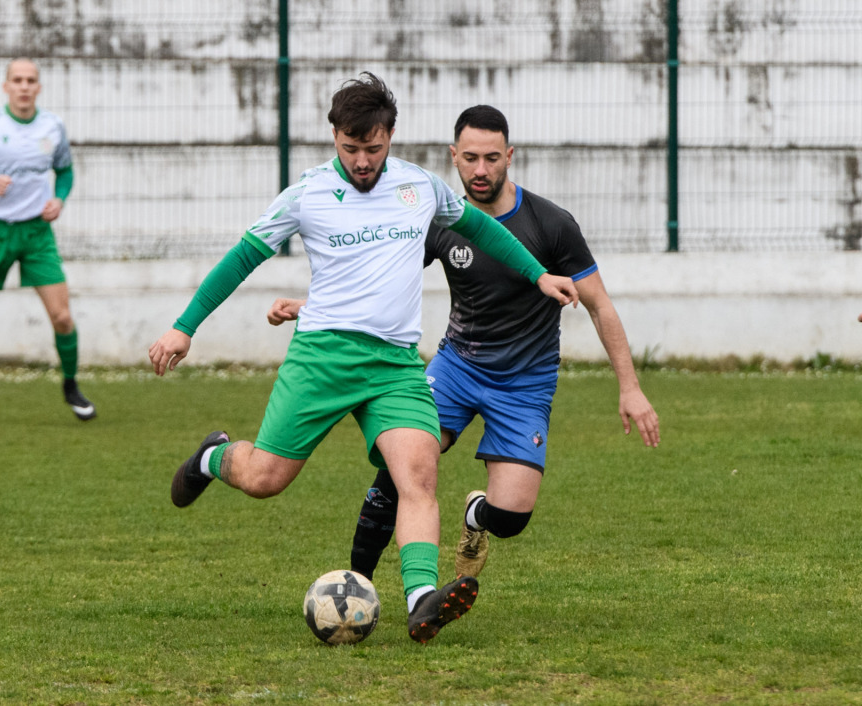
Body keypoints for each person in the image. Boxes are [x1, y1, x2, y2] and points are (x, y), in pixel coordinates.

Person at [149, 75, 579, 643]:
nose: (361, 161)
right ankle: (213, 458)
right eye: (350, 148)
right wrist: (184, 328)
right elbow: (241, 259)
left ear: (390, 137)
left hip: (394, 367)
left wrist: (538, 274)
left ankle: (422, 600)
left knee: (418, 475)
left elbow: (480, 229)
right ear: (334, 136)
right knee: (264, 479)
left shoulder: (419, 186)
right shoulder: (307, 193)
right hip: (322, 359)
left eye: (372, 148)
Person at [268, 104, 660, 583]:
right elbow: (377, 280)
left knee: (510, 517)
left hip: (525, 384)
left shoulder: (551, 224)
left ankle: (476, 516)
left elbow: (600, 305)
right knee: (401, 466)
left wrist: (630, 388)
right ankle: (356, 585)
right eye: (470, 158)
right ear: (453, 156)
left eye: (492, 158)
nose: (480, 169)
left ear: (509, 156)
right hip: (456, 369)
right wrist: (310, 306)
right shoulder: (439, 218)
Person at [0, 58, 95, 424]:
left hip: (36, 234)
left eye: (30, 80)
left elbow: (65, 171)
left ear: (38, 87)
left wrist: (59, 199)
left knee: (62, 316)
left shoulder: (52, 126)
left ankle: (71, 385)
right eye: (17, 80)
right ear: (6, 86)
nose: (24, 86)